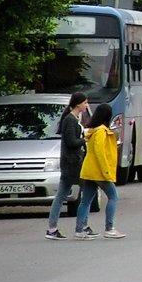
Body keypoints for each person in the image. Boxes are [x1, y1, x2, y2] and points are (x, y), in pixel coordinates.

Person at [75, 103, 125, 240]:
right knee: (113, 197)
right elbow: (100, 152)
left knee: (85, 201)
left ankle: (79, 229)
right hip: (99, 171)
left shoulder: (91, 130)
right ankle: (109, 228)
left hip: (89, 170)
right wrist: (106, 172)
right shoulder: (101, 131)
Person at [45, 92, 90, 240]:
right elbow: (71, 142)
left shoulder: (74, 119)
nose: (86, 105)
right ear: (78, 104)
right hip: (73, 164)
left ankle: (52, 228)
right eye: (85, 103)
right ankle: (82, 227)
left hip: (71, 163)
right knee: (87, 193)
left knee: (61, 196)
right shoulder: (70, 120)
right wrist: (85, 139)